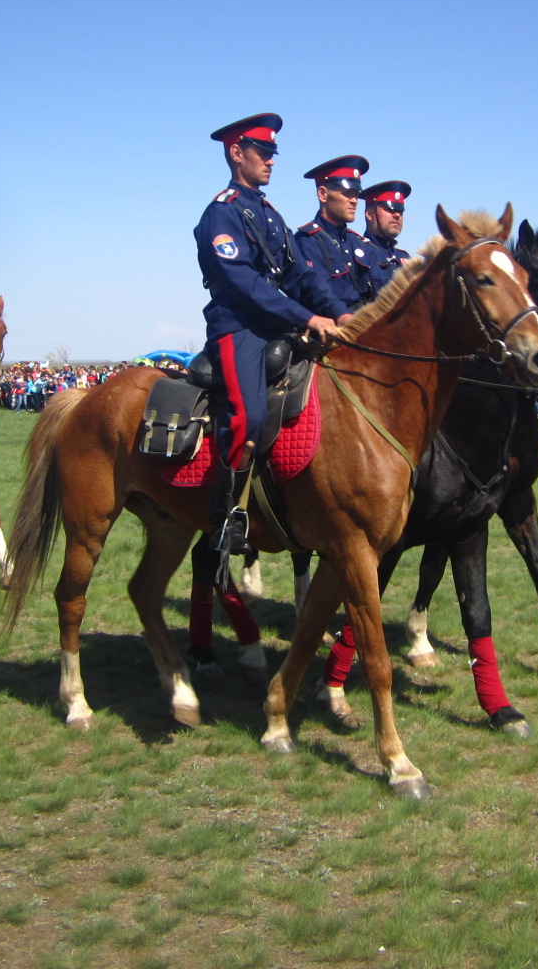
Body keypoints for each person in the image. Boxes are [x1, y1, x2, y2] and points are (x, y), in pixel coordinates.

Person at [191, 113, 348, 672]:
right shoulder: (222, 213)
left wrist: (339, 314)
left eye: (273, 150)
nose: (271, 158)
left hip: (280, 323)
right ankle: (229, 513)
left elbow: (301, 274)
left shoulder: (270, 213)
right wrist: (304, 315)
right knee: (251, 414)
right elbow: (244, 285)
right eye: (262, 149)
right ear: (237, 152)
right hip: (240, 327)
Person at [294, 155, 374, 314]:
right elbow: (318, 294)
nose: (354, 200)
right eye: (347, 193)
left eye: (356, 194)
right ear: (323, 194)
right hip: (330, 329)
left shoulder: (358, 242)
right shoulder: (308, 241)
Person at [359, 179, 413, 299]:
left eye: (400, 211)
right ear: (369, 214)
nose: (397, 215)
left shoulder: (404, 258)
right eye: (390, 210)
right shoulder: (358, 252)